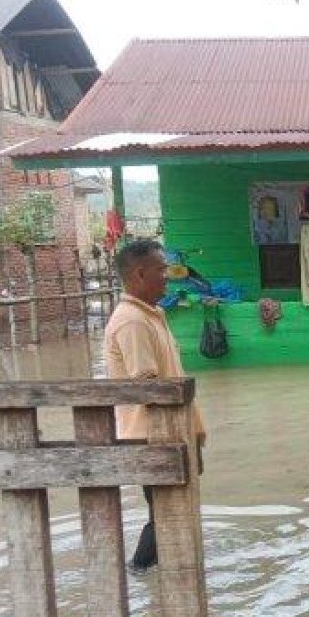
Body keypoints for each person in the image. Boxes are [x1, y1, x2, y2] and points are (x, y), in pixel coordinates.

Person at [103, 239, 205, 573]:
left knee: (170, 511)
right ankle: (140, 571)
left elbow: (175, 378)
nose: (168, 276)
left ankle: (160, 571)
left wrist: (196, 433)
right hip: (152, 434)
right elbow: (150, 388)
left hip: (172, 431)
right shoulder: (133, 321)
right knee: (165, 513)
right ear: (139, 274)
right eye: (161, 269)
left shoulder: (152, 316)